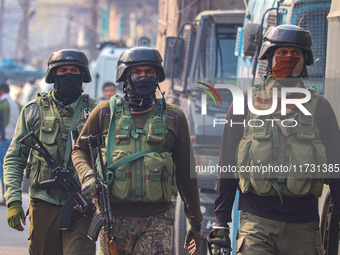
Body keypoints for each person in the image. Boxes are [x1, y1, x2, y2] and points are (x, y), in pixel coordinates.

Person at [210, 24, 340, 255]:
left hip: (303, 228)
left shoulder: (321, 109)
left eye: (296, 53)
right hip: (256, 223)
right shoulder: (243, 106)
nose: (289, 59)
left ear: (305, 60)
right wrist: (221, 222)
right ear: (269, 58)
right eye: (282, 53)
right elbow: (227, 166)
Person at [72, 46, 203, 255]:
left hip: (157, 219)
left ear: (157, 76)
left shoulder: (174, 118)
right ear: (125, 77)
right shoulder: (104, 113)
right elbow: (79, 150)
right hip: (113, 218)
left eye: (149, 72)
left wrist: (195, 222)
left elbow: (187, 173)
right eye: (137, 72)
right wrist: (87, 176)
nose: (143, 77)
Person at [4, 49, 97, 255]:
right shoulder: (34, 110)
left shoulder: (95, 112)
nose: (69, 74)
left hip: (82, 205)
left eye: (74, 70)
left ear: (83, 75)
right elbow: (14, 158)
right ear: (54, 74)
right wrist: (13, 200)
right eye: (63, 70)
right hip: (44, 202)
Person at [0, 83, 21, 205]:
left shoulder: (2, 105)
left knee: (4, 169)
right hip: (16, 140)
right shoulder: (17, 104)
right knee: (13, 169)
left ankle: (6, 196)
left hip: (4, 141)